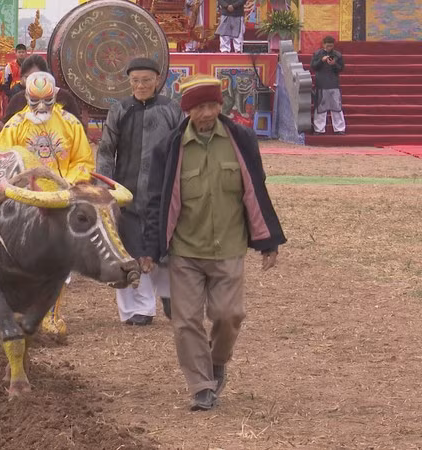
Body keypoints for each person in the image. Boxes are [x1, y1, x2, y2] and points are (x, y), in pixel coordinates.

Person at [142, 74, 286, 411]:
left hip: (229, 248)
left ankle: (217, 361)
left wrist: (269, 242)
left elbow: (256, 190)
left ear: (221, 106)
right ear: (188, 111)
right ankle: (201, 386)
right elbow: (154, 201)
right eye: (200, 107)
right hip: (185, 251)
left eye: (212, 105)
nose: (207, 113)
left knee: (229, 315)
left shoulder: (241, 139)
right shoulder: (170, 147)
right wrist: (149, 249)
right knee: (186, 321)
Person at [0, 71, 95, 335]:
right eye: (35, 100)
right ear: (26, 97)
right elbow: (1, 160)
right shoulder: (14, 126)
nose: (41, 107)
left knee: (56, 259)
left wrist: (66, 184)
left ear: (55, 96)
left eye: (47, 101)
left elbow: (83, 161)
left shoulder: (70, 124)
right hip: (23, 202)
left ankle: (51, 314)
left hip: (60, 201)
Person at [97, 57, 182, 326]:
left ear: (158, 80)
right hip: (126, 189)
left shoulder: (171, 110)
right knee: (128, 247)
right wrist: (105, 188)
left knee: (163, 245)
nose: (141, 85)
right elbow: (107, 151)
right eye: (135, 81)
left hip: (163, 189)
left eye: (146, 80)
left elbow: (182, 149)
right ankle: (138, 310)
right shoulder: (120, 110)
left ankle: (170, 299)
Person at [2, 55, 83, 125]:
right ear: (22, 79)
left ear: (46, 75)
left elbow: (77, 126)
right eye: (28, 77)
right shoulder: (18, 99)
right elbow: (6, 126)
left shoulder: (64, 98)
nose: (33, 81)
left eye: (37, 76)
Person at [312, 36, 346, 135]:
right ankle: (319, 129)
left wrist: (334, 64)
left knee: (336, 107)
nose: (329, 48)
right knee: (320, 107)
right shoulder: (318, 54)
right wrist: (321, 61)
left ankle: (339, 128)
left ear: (333, 45)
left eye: (331, 46)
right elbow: (313, 66)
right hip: (321, 82)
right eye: (327, 46)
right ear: (323, 45)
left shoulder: (337, 55)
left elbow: (341, 69)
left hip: (333, 83)